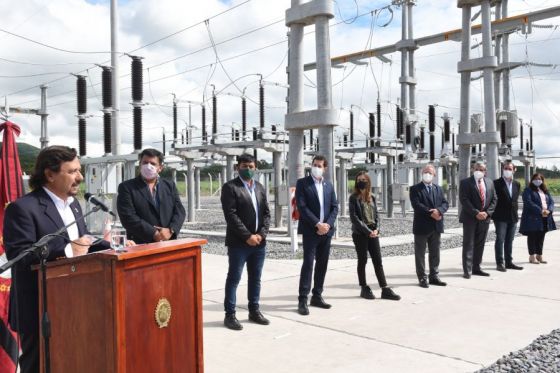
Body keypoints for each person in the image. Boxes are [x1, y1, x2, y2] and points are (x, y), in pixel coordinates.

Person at [3, 146, 111, 373]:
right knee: (38, 365)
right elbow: (19, 255)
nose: (80, 177)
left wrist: (118, 248)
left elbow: (82, 243)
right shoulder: (22, 209)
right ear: (49, 174)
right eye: (72, 171)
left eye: (79, 170)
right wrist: (68, 250)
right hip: (38, 306)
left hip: (76, 303)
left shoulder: (75, 205)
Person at [221, 153, 271, 330]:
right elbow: (231, 215)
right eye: (244, 166)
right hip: (239, 244)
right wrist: (247, 236)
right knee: (234, 278)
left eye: (250, 166)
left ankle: (254, 310)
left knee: (255, 278)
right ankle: (230, 315)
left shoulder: (260, 187)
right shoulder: (230, 188)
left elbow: (266, 213)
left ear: (255, 168)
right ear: (237, 167)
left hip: (259, 243)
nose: (247, 169)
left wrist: (261, 235)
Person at [295, 155, 339, 316]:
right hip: (311, 231)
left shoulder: (328, 185)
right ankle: (302, 299)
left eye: (320, 165)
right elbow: (302, 207)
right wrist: (317, 224)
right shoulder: (303, 183)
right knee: (308, 264)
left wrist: (327, 224)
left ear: (325, 168)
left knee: (322, 264)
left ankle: (317, 295)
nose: (316, 167)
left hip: (326, 232)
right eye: (314, 165)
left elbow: (335, 206)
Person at [348, 171, 401, 300]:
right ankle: (364, 287)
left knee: (378, 261)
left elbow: (377, 215)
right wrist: (368, 231)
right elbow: (354, 218)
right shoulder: (353, 197)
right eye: (359, 179)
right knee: (363, 260)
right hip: (360, 234)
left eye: (364, 179)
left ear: (368, 182)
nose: (361, 181)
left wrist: (377, 229)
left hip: (373, 233)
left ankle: (385, 288)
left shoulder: (372, 197)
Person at [117, 148, 186, 244]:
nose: (148, 166)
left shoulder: (169, 186)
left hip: (168, 242)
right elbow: (128, 217)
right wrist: (154, 233)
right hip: (140, 243)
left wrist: (171, 230)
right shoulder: (127, 187)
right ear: (140, 164)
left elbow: (179, 211)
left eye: (153, 163)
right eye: (145, 162)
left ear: (160, 168)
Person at [409, 164, 449, 288]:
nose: (427, 174)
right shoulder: (415, 188)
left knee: (435, 252)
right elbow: (416, 205)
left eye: (430, 172)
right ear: (422, 173)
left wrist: (440, 211)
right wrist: (432, 213)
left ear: (434, 175)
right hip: (422, 226)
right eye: (425, 172)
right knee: (420, 254)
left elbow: (444, 203)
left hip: (436, 226)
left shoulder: (438, 188)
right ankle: (422, 277)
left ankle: (434, 276)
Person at [459, 161, 497, 279]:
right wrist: (476, 213)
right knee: (468, 244)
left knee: (480, 244)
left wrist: (487, 213)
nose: (479, 171)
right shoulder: (465, 183)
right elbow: (464, 200)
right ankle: (467, 270)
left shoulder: (490, 182)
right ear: (472, 169)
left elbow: (494, 199)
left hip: (484, 218)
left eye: (481, 169)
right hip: (470, 218)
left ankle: (477, 268)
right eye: (477, 169)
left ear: (485, 171)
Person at [492, 161, 523, 271]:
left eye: (510, 169)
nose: (507, 170)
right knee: (500, 239)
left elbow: (514, 200)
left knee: (510, 240)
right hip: (500, 217)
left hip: (513, 216)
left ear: (514, 170)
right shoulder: (496, 183)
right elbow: (493, 200)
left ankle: (509, 262)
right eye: (505, 168)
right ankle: (500, 263)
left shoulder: (517, 184)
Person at [519, 173, 556, 264]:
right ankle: (532, 256)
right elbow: (528, 202)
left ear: (542, 180)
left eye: (540, 179)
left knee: (541, 236)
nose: (538, 180)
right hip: (533, 217)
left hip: (545, 217)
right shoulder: (528, 190)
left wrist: (549, 210)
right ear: (532, 180)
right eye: (535, 179)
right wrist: (541, 211)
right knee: (532, 236)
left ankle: (539, 255)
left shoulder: (545, 190)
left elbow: (551, 202)